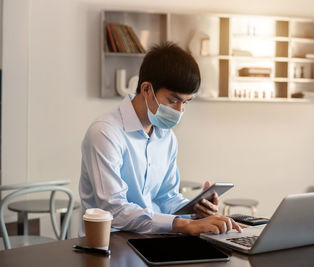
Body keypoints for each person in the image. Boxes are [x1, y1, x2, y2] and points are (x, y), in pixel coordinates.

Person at [79, 42, 241, 235]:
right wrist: (184, 225)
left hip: (152, 238)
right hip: (110, 243)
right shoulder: (105, 133)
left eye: (186, 102)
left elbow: (166, 198)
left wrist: (196, 212)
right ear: (147, 89)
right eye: (173, 101)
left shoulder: (166, 137)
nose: (180, 111)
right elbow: (114, 210)